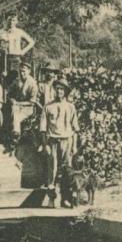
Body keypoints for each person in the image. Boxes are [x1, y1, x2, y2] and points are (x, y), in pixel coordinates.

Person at [43, 80, 80, 208]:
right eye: (57, 89)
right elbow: (43, 129)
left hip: (67, 141)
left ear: (65, 92)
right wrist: (45, 145)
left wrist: (74, 146)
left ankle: (66, 198)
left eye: (62, 89)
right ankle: (52, 199)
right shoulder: (48, 107)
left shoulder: (71, 107)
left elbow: (75, 129)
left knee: (67, 172)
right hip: (53, 141)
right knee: (52, 171)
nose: (59, 91)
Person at [6, 61, 38, 148]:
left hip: (28, 107)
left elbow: (32, 102)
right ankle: (13, 135)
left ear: (29, 71)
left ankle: (16, 136)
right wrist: (11, 99)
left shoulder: (33, 84)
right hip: (17, 105)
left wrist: (18, 103)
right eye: (21, 71)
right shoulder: (17, 80)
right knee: (13, 110)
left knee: (16, 116)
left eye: (24, 71)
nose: (22, 73)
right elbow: (8, 92)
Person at [0, 14, 34, 84]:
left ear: (16, 21)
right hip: (5, 59)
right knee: (4, 80)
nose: (11, 22)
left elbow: (32, 42)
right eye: (9, 20)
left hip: (16, 59)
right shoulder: (1, 32)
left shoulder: (19, 32)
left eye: (13, 20)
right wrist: (0, 49)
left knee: (17, 80)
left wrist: (22, 51)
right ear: (6, 20)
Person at [36, 62, 61, 151]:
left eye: (51, 72)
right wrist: (42, 108)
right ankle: (43, 144)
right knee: (42, 123)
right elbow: (36, 99)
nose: (49, 74)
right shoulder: (41, 85)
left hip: (56, 110)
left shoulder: (57, 86)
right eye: (47, 72)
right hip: (43, 110)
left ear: (54, 74)